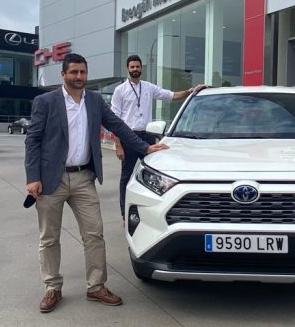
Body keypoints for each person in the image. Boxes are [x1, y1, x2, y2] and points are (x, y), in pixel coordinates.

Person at [25, 53, 168, 313]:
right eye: (74, 73)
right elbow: (33, 140)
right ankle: (52, 287)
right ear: (64, 75)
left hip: (83, 178)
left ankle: (96, 287)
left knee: (94, 234)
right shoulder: (45, 102)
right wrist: (32, 177)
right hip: (50, 180)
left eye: (82, 72)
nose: (79, 77)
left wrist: (145, 148)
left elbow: (119, 126)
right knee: (49, 237)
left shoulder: (94, 101)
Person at [110, 54, 203, 219]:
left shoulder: (148, 87)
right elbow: (114, 120)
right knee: (126, 176)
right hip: (128, 138)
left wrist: (190, 91)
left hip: (147, 136)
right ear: (127, 69)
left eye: (137, 67)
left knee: (155, 175)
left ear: (141, 68)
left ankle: (154, 213)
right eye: (132, 67)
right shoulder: (120, 90)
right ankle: (125, 215)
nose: (135, 69)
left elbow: (170, 95)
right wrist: (117, 144)